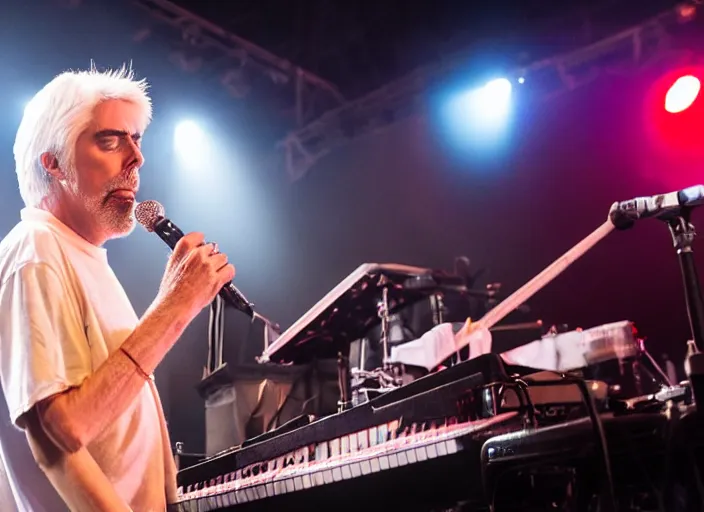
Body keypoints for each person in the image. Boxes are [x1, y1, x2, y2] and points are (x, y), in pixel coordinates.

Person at [0, 65, 236, 511]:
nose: (136, 159)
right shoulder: (36, 250)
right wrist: (176, 304)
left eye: (137, 140)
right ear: (52, 162)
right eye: (110, 140)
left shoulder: (79, 255)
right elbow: (63, 432)